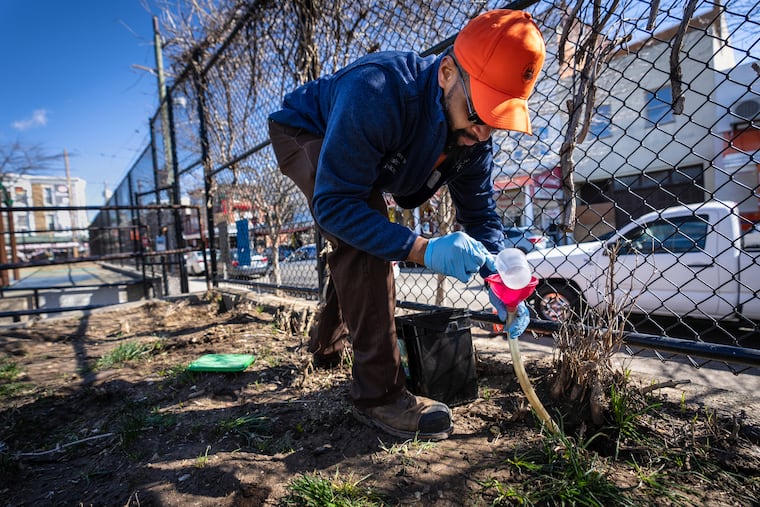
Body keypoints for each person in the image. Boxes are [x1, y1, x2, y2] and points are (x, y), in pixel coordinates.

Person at [268, 9, 546, 441]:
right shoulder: (378, 90)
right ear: (447, 73)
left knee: (363, 235)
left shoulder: (474, 140)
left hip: (367, 148)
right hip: (304, 129)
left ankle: (326, 344)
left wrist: (499, 280)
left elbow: (480, 215)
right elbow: (335, 205)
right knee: (362, 218)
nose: (483, 133)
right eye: (478, 113)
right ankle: (378, 396)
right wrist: (422, 249)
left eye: (497, 121)